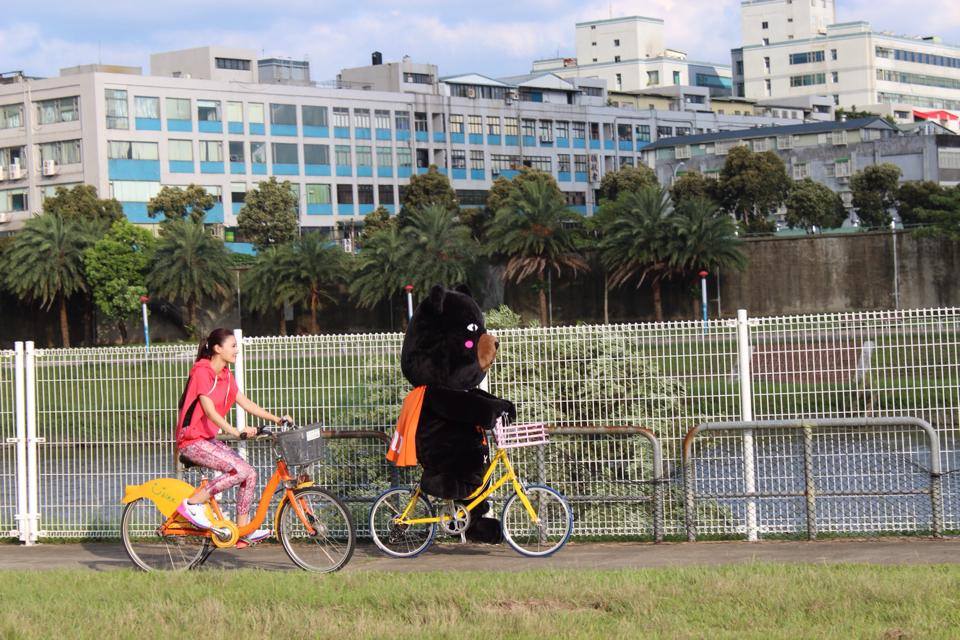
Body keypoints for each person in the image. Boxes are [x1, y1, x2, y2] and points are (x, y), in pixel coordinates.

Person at [174, 328, 292, 545]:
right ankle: (192, 504)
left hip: (206, 439)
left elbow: (245, 402)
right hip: (191, 440)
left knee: (250, 474)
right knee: (240, 470)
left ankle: (242, 531)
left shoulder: (226, 375)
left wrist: (276, 419)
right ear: (218, 349)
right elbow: (209, 410)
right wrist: (235, 431)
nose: (237, 350)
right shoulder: (202, 372)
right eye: (233, 346)